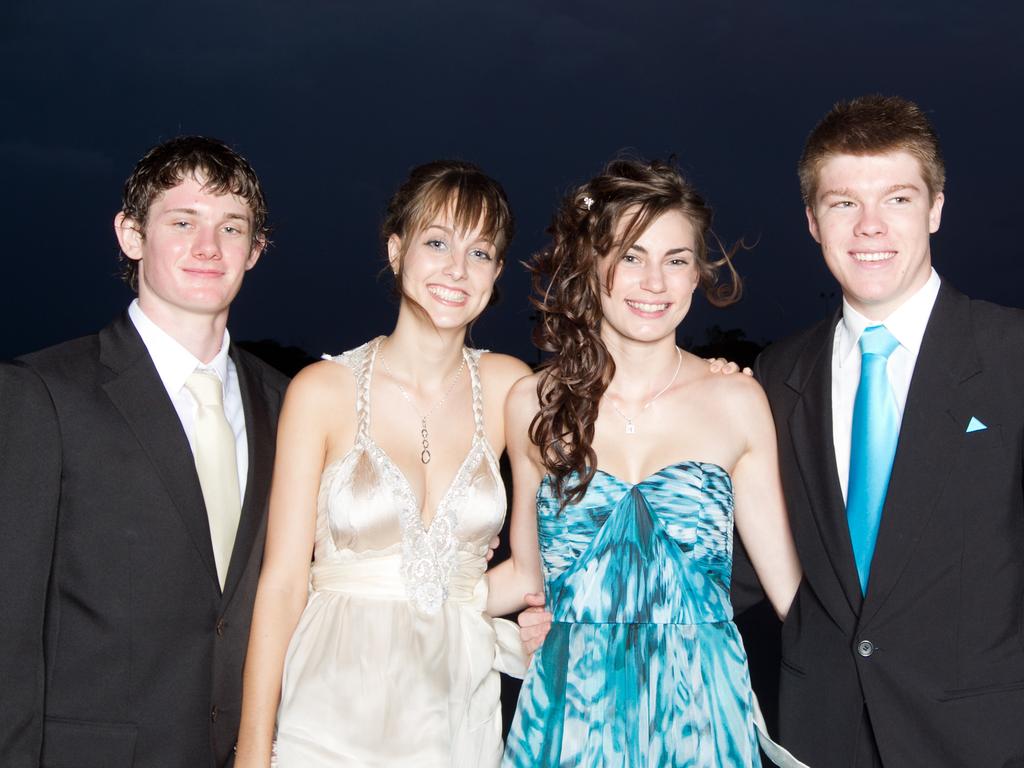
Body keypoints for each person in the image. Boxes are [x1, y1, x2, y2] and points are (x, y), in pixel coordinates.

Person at [732, 94, 1024, 767]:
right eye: (843, 204)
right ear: (812, 221)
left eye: (896, 199)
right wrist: (584, 611)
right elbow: (742, 557)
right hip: (820, 736)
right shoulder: (776, 374)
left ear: (936, 208)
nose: (870, 227)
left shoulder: (1011, 356)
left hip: (986, 742)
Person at [494, 158, 803, 766]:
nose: (654, 282)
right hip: (568, 717)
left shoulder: (737, 401)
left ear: (697, 277)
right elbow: (528, 578)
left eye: (676, 259)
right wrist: (383, 603)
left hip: (702, 720)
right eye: (632, 256)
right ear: (593, 263)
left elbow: (790, 596)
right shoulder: (533, 402)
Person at [0, 136, 289, 767]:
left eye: (231, 227)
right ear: (131, 235)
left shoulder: (287, 402)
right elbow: (8, 627)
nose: (208, 247)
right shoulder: (42, 393)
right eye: (182, 221)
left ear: (256, 250)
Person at [234, 160, 531, 768]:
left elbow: (561, 536)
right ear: (396, 251)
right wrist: (252, 750)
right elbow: (284, 582)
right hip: (328, 708)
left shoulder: (510, 388)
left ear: (496, 273)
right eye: (437, 242)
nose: (457, 269)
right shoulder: (321, 391)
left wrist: (711, 376)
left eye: (480, 253)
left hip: (456, 711)